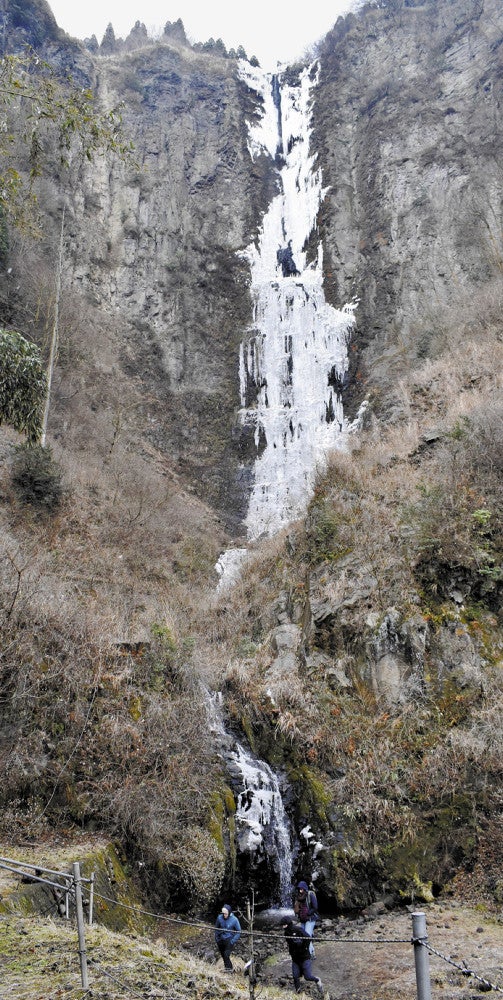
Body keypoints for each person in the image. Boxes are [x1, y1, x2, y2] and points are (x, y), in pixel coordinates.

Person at [281, 919, 323, 994]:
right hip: (295, 958)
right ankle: (298, 993)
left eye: (284, 925)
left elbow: (308, 938)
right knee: (295, 976)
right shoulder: (286, 933)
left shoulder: (298, 929)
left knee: (308, 977)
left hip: (304, 957)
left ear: (288, 924)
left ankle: (317, 980)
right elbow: (290, 944)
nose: (283, 927)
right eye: (282, 925)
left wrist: (302, 945)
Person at [294, 880, 319, 956]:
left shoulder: (310, 895)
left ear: (305, 888)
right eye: (299, 889)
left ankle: (309, 954)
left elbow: (315, 907)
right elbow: (296, 908)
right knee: (303, 936)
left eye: (301, 889)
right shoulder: (298, 897)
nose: (300, 890)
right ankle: (311, 952)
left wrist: (308, 913)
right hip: (302, 919)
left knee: (307, 937)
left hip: (310, 919)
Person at [214, 903, 241, 972]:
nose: (224, 915)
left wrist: (233, 941)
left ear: (229, 913)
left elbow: (239, 931)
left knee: (226, 955)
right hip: (220, 939)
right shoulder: (219, 918)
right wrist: (217, 938)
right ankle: (228, 969)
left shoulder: (234, 919)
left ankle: (229, 970)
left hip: (229, 940)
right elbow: (216, 928)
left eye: (226, 914)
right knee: (223, 956)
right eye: (223, 914)